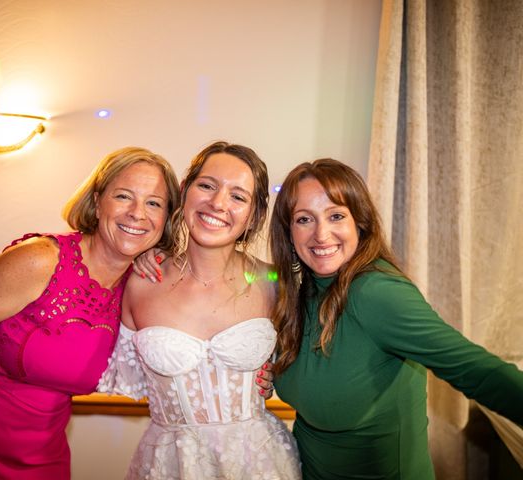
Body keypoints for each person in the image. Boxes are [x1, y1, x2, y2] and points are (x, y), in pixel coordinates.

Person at [0, 147, 180, 480]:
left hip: (37, 460)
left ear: (166, 218)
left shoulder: (139, 289)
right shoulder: (39, 260)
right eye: (124, 196)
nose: (137, 213)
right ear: (97, 203)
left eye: (153, 203)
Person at [267, 158, 523, 479]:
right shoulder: (300, 292)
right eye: (305, 219)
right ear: (288, 232)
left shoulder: (376, 292)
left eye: (336, 216)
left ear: (359, 222)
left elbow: (476, 370)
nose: (321, 233)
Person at [99, 141, 301, 479]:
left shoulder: (276, 282)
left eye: (238, 196)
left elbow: (305, 361)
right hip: (171, 465)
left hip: (261, 465)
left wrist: (273, 376)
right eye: (207, 185)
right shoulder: (137, 281)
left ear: (253, 215)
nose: (218, 203)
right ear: (185, 192)